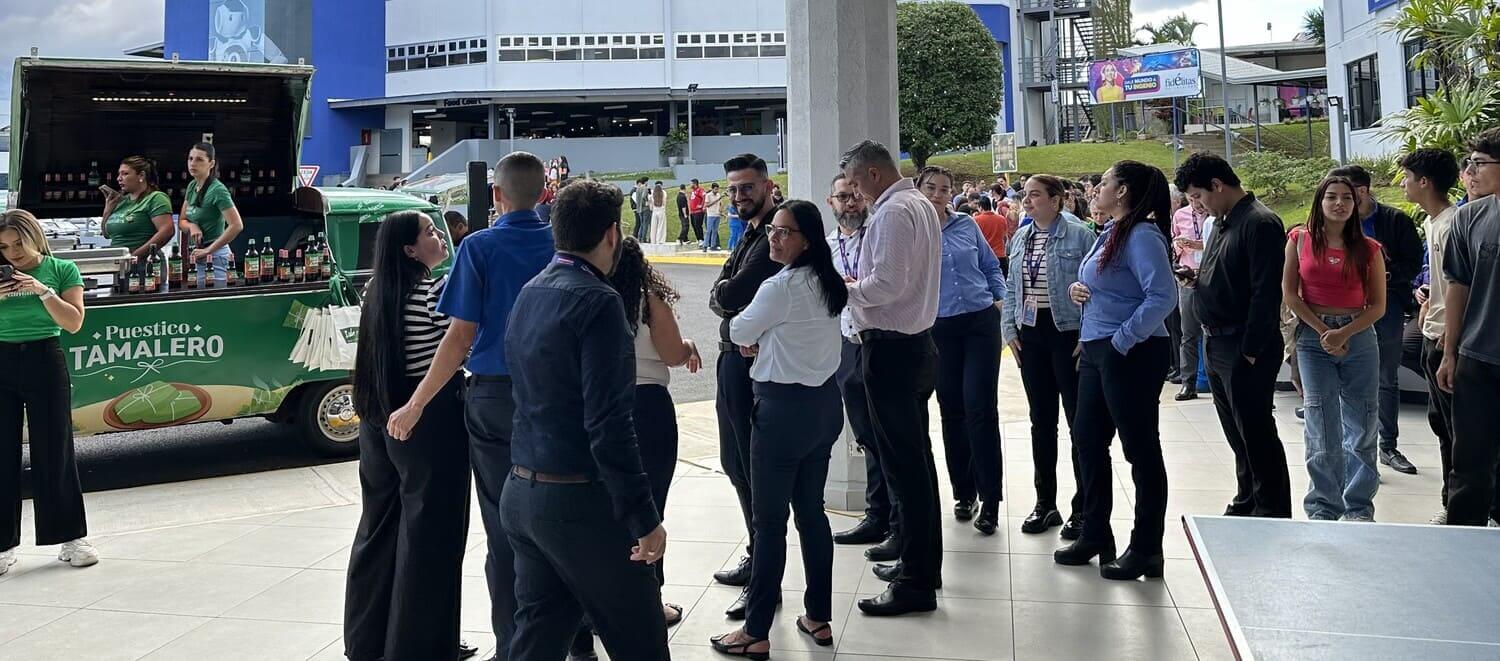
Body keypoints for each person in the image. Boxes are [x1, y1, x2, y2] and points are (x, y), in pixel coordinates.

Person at [385, 152, 556, 661]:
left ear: (496, 195)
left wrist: (416, 403)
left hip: (495, 398)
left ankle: (513, 647)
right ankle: (574, 637)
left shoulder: (478, 247)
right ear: (545, 192)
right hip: (559, 394)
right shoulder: (562, 244)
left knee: (504, 527)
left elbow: (459, 337)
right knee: (561, 515)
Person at [500, 179, 669, 660]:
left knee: (538, 635)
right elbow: (609, 424)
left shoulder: (532, 290)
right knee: (641, 640)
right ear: (612, 234)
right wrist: (644, 517)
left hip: (523, 491)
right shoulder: (599, 301)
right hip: (581, 504)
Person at [712, 199, 846, 659]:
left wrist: (754, 335)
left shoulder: (780, 286)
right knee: (811, 513)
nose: (774, 238)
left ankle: (755, 631)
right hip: (824, 408)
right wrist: (765, 337)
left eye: (785, 232)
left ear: (806, 240)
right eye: (772, 229)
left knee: (768, 524)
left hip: (783, 414)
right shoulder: (828, 282)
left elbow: (736, 330)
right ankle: (818, 616)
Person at [344, 210, 472, 660]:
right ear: (410, 250)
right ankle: (420, 646)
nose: (440, 237)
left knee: (378, 529)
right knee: (431, 534)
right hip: (427, 420)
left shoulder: (375, 291)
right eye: (430, 232)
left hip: (378, 417)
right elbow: (459, 349)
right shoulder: (435, 292)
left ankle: (367, 641)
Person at [1055, 161, 1177, 581]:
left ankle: (1147, 548)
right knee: (1087, 440)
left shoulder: (1141, 235)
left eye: (1104, 182)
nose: (1095, 188)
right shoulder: (1111, 231)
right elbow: (1106, 284)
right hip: (1097, 348)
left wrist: (1122, 340)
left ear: (1122, 191)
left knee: (1140, 449)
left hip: (1131, 351)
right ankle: (1094, 533)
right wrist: (1079, 290)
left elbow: (1162, 295)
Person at [840, 139, 943, 616]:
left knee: (906, 468)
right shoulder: (918, 203)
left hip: (893, 348)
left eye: (856, 183)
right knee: (916, 463)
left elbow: (886, 285)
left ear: (874, 174)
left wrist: (844, 287)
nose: (855, 193)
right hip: (913, 344)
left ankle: (916, 581)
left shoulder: (893, 212)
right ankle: (920, 564)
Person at [1175, 152, 1292, 519]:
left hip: (1244, 344)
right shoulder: (1223, 222)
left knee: (1256, 430)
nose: (1198, 205)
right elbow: (1225, 275)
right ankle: (1247, 497)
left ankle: (1271, 507)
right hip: (1216, 341)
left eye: (1198, 196)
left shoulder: (1259, 222)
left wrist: (1252, 350)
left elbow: (1265, 293)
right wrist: (1196, 281)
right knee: (1236, 432)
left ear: (1217, 185)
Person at [1281, 177, 1387, 521]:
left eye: (1346, 198)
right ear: (1320, 202)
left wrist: (1344, 333)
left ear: (1356, 204)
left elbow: (1378, 306)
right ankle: (1324, 507)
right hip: (1314, 340)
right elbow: (1290, 295)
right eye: (1331, 197)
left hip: (1359, 335)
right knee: (1321, 423)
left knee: (1363, 422)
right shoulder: (1298, 240)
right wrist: (1325, 331)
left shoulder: (1369, 248)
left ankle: (1358, 507)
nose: (1339, 204)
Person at [708, 153, 784, 619]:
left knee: (753, 470)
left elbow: (732, 293)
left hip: (751, 366)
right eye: (733, 189)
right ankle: (758, 557)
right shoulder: (750, 233)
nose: (739, 196)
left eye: (748, 187)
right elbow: (722, 291)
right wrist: (725, 294)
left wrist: (725, 294)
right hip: (732, 360)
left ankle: (765, 580)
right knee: (734, 462)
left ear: (768, 186)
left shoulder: (773, 232)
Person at [609, 235, 700, 623]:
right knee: (650, 507)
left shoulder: (592, 296)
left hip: (604, 406)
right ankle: (648, 601)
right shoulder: (648, 300)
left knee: (609, 507)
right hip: (648, 407)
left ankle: (604, 602)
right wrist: (690, 345)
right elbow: (673, 353)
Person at [0, 209, 95, 577]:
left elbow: (73, 322)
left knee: (55, 448)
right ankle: (3, 545)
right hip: (2, 358)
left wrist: (42, 291)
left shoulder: (61, 269)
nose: (12, 254)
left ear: (35, 238)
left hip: (45, 357)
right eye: (4, 247)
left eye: (18, 244)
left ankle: (71, 538)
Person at [914, 166, 1006, 536]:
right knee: (951, 411)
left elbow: (989, 265)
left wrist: (999, 298)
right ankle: (964, 493)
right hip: (939, 327)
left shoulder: (966, 224)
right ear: (918, 190)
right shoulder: (912, 231)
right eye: (931, 188)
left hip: (980, 322)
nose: (938, 195)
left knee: (981, 409)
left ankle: (991, 499)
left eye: (944, 189)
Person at [1002, 174, 1093, 539]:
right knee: (1041, 421)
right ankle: (1045, 503)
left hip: (1067, 333)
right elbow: (1012, 286)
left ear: (1056, 200)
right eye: (1025, 195)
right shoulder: (1021, 236)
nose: (1027, 201)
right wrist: (1009, 330)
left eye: (1035, 195)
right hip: (1031, 334)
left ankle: (1082, 507)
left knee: (1077, 421)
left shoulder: (1079, 235)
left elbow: (1095, 287)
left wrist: (1087, 334)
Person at [1329, 165, 1424, 476]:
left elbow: (1413, 263)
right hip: (1342, 307)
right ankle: (1352, 449)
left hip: (1386, 305)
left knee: (1386, 376)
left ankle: (1387, 445)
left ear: (1362, 191)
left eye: (1346, 193)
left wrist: (1383, 276)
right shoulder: (1334, 222)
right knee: (1344, 376)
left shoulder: (1395, 221)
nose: (1339, 201)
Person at [825, 174, 898, 547]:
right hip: (847, 345)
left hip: (882, 342)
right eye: (843, 197)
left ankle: (899, 519)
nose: (851, 203)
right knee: (866, 435)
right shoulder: (824, 248)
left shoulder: (879, 237)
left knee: (891, 435)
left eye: (855, 196)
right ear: (831, 202)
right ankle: (877, 515)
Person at [1436, 127, 1500, 527]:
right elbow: (1457, 286)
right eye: (1469, 163)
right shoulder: (1469, 217)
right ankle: (1461, 543)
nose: (1470, 172)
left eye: (1479, 163)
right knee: (1470, 463)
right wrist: (1449, 353)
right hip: (1477, 359)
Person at [1399, 149, 1463, 523]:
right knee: (1441, 424)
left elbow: (1460, 286)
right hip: (1431, 331)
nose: (1402, 184)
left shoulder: (1453, 224)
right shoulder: (1432, 222)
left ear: (1424, 182)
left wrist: (1450, 341)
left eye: (1407, 178)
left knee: (1458, 428)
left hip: (1444, 338)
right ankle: (1451, 501)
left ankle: (1464, 506)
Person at [180, 142, 244, 287]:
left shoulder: (218, 190)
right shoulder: (192, 186)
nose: (193, 163)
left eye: (199, 159)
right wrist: (192, 226)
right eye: (190, 158)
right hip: (197, 255)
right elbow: (182, 220)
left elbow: (236, 225)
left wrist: (208, 250)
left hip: (215, 256)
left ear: (211, 163)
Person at [1171, 194, 1210, 401]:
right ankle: (1188, 382)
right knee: (1188, 332)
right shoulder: (1180, 215)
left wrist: (1198, 245)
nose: (1196, 203)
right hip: (1188, 276)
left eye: (1198, 198)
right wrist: (1180, 244)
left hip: (1211, 276)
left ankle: (1214, 379)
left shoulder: (1215, 214)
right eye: (1192, 199)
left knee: (1211, 330)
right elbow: (1174, 243)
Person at [101, 156, 175, 263]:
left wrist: (135, 256)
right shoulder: (122, 201)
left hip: (144, 262)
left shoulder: (155, 198)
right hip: (118, 262)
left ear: (141, 175)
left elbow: (167, 231)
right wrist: (107, 210)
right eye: (119, 174)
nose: (119, 178)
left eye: (125, 174)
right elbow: (107, 234)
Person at [971, 195, 1012, 277]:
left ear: (980, 207)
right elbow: (1005, 237)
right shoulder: (1001, 219)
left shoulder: (976, 220)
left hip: (984, 257)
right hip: (1000, 255)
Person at [704, 183, 724, 251]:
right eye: (715, 189)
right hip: (710, 215)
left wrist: (721, 211)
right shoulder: (708, 195)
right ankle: (705, 245)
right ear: (712, 189)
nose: (717, 191)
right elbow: (707, 205)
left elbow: (720, 203)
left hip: (717, 215)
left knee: (715, 231)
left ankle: (713, 245)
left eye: (717, 189)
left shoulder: (718, 195)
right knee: (708, 231)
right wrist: (717, 200)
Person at [631, 177, 651, 241]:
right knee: (645, 224)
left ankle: (639, 237)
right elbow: (643, 196)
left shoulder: (637, 189)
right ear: (645, 182)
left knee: (641, 224)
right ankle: (643, 238)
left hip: (639, 209)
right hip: (645, 208)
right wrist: (646, 201)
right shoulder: (645, 188)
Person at [688, 179, 707, 246]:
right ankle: (698, 238)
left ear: (694, 184)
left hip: (698, 211)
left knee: (698, 225)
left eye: (691, 183)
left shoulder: (700, 190)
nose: (690, 185)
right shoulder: (693, 191)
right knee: (694, 225)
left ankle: (701, 239)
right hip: (692, 212)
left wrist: (702, 205)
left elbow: (704, 196)